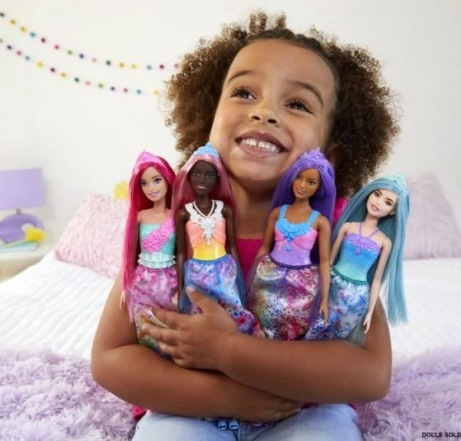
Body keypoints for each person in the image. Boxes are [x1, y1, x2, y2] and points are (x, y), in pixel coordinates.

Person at [91, 11, 399, 440]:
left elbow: (370, 373)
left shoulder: (338, 233)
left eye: (297, 104)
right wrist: (226, 396)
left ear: (330, 152)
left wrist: (228, 350)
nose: (264, 112)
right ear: (208, 120)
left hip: (302, 410)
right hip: (188, 406)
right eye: (243, 92)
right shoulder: (173, 220)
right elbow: (111, 356)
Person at [305, 174, 410, 345]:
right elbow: (329, 261)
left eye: (387, 202)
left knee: (336, 336)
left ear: (392, 212)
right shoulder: (348, 227)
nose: (378, 202)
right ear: (369, 194)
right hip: (333, 282)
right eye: (377, 194)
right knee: (315, 327)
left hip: (355, 296)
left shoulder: (385, 242)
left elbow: (377, 280)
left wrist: (370, 311)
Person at [172, 142, 261, 335]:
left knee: (232, 310)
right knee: (200, 313)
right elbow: (180, 253)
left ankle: (239, 341)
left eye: (209, 175)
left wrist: (238, 277)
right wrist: (180, 288)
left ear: (218, 178)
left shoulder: (224, 210)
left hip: (224, 269)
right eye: (197, 173)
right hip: (197, 271)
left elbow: (232, 247)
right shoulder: (183, 214)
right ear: (189, 176)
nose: (202, 179)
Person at [247, 149, 335, 341]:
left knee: (292, 324)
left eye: (311, 182)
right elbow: (265, 247)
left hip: (301, 283)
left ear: (319, 188)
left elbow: (324, 261)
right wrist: (251, 277)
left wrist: (324, 298)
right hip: (269, 276)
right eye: (299, 178)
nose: (302, 185)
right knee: (261, 319)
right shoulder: (277, 213)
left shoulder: (320, 222)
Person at [119, 151, 177, 351]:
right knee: (145, 328)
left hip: (170, 279)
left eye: (156, 180)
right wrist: (125, 286)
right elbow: (130, 253)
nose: (151, 188)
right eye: (144, 183)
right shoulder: (140, 216)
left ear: (167, 180)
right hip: (143, 279)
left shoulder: (177, 216)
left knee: (169, 324)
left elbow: (183, 252)